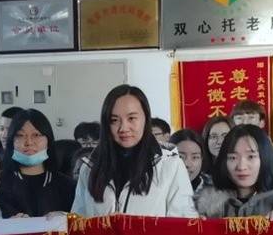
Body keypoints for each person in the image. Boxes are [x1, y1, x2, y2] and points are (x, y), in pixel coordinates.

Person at [72, 84, 197, 217]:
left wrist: (131, 226)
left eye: (131, 118)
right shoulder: (90, 168)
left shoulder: (170, 165)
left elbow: (183, 224)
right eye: (114, 120)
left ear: (146, 118)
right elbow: (78, 222)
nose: (123, 128)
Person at [195, 125, 273, 219]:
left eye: (251, 157)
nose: (241, 167)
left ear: (265, 157)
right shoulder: (208, 206)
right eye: (233, 158)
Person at [0, 109, 76, 217]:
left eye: (36, 135)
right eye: (20, 135)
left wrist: (67, 218)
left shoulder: (69, 187)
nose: (29, 142)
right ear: (11, 141)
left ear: (48, 140)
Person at [169, 128, 212, 195]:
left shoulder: (216, 194)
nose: (187, 164)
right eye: (180, 157)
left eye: (195, 157)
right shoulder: (155, 189)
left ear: (202, 159)